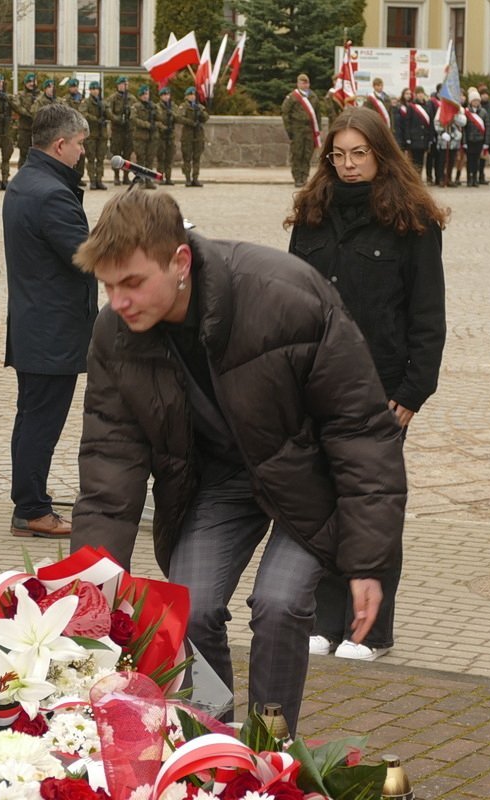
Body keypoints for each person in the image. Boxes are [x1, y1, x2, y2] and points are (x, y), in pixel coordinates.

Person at [70, 187, 406, 734]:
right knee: (190, 607)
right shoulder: (115, 335)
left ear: (179, 261)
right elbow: (110, 461)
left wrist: (369, 561)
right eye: (108, 286)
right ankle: (210, 745)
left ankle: (272, 752)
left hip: (308, 474)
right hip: (218, 481)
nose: (119, 301)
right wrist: (88, 587)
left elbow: (361, 430)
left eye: (132, 282)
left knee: (277, 603)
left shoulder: (284, 295)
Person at [286, 105, 446, 661]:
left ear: (380, 155)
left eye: (360, 154)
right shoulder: (311, 213)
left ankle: (370, 631)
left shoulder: (413, 221)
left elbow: (428, 316)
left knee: (371, 509)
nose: (349, 165)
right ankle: (324, 620)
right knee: (322, 505)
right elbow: (290, 304)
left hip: (380, 392)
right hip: (314, 387)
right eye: (339, 155)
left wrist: (411, 393)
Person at [3, 103, 96, 540]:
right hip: (51, 329)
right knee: (41, 420)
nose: (82, 153)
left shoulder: (28, 181)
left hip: (36, 323)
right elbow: (87, 257)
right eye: (79, 145)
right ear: (60, 144)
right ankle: (32, 510)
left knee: (31, 416)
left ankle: (29, 495)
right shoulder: (52, 193)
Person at [282, 74, 319, 188]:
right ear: (298, 84)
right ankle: (297, 178)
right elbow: (285, 113)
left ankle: (305, 177)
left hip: (309, 129)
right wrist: (290, 130)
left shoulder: (313, 97)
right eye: (302, 83)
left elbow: (317, 114)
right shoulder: (292, 97)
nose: (305, 85)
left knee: (307, 154)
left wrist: (318, 130)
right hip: (297, 128)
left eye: (306, 83)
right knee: (298, 154)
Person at [176, 86, 208, 188]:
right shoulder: (183, 107)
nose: (193, 97)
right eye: (190, 95)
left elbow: (206, 117)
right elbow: (179, 118)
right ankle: (188, 178)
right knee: (187, 158)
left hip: (198, 135)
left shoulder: (199, 106)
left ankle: (195, 178)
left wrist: (201, 113)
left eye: (194, 95)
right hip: (188, 136)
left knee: (196, 158)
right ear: (186, 96)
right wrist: (191, 123)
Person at [80, 81, 109, 190]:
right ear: (90, 90)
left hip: (102, 135)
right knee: (91, 158)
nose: (95, 91)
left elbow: (109, 113)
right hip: (91, 134)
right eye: (93, 89)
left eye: (97, 89)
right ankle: (92, 180)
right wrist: (96, 120)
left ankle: (99, 180)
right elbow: (83, 114)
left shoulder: (103, 102)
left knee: (100, 159)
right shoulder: (86, 102)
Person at [130, 83, 159, 189]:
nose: (146, 96)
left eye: (147, 94)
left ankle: (149, 180)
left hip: (152, 137)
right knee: (141, 159)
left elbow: (160, 119)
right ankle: (141, 181)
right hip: (140, 137)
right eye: (144, 94)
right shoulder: (136, 107)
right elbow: (133, 119)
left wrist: (155, 122)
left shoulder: (153, 106)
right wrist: (146, 125)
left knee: (150, 159)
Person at [108, 76, 134, 185]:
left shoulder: (131, 98)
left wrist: (129, 118)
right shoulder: (113, 98)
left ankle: (126, 176)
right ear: (118, 85)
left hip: (128, 130)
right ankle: (116, 176)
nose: (124, 86)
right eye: (122, 84)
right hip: (117, 130)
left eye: (125, 84)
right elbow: (109, 112)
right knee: (116, 153)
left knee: (127, 154)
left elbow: (135, 111)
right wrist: (117, 119)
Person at [462, 88, 488, 188]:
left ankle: (475, 179)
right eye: (474, 100)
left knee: (477, 161)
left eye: (477, 100)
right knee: (470, 161)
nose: (476, 102)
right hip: (469, 140)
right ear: (470, 101)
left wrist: (486, 142)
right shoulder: (466, 112)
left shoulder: (483, 112)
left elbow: (487, 127)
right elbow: (464, 129)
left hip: (479, 140)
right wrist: (464, 141)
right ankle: (469, 178)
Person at [0, 75, 14, 189]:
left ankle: (5, 179)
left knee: (6, 157)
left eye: (2, 82)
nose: (0, 84)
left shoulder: (7, 97)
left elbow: (16, 107)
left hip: (6, 131)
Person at [14, 73, 38, 169]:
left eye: (33, 81)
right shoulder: (20, 95)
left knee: (37, 155)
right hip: (24, 129)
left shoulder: (40, 95)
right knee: (24, 154)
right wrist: (30, 114)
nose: (32, 84)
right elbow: (18, 107)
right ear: (25, 83)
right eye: (29, 82)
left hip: (37, 130)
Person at [156, 87, 175, 186]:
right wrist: (163, 127)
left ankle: (168, 177)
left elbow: (178, 117)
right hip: (161, 135)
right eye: (164, 95)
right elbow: (157, 120)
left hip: (170, 135)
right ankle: (160, 177)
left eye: (168, 95)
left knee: (169, 158)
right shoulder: (157, 107)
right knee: (161, 158)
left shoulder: (172, 106)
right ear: (161, 96)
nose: (166, 97)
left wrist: (172, 114)